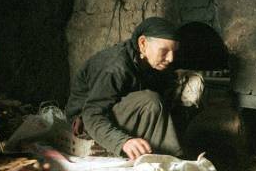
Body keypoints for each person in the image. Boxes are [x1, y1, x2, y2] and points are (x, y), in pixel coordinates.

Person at [65, 17, 184, 160]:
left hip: (116, 107)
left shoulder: (149, 61)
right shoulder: (116, 67)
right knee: (151, 102)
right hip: (85, 119)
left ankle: (171, 160)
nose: (170, 58)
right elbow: (92, 114)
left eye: (174, 52)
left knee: (168, 103)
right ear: (143, 43)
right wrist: (123, 141)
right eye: (164, 51)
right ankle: (172, 162)